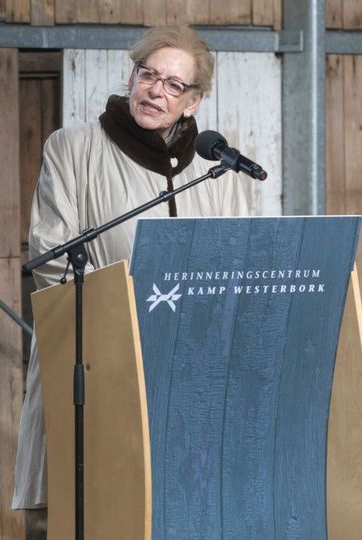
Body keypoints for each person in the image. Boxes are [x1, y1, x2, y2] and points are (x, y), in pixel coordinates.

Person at [13, 25, 253, 511]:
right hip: (105, 367)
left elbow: (234, 265)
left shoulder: (216, 167)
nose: (155, 91)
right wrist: (118, 333)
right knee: (110, 514)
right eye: (148, 75)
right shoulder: (74, 148)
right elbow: (52, 259)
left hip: (192, 374)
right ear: (132, 77)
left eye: (173, 84)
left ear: (193, 102)